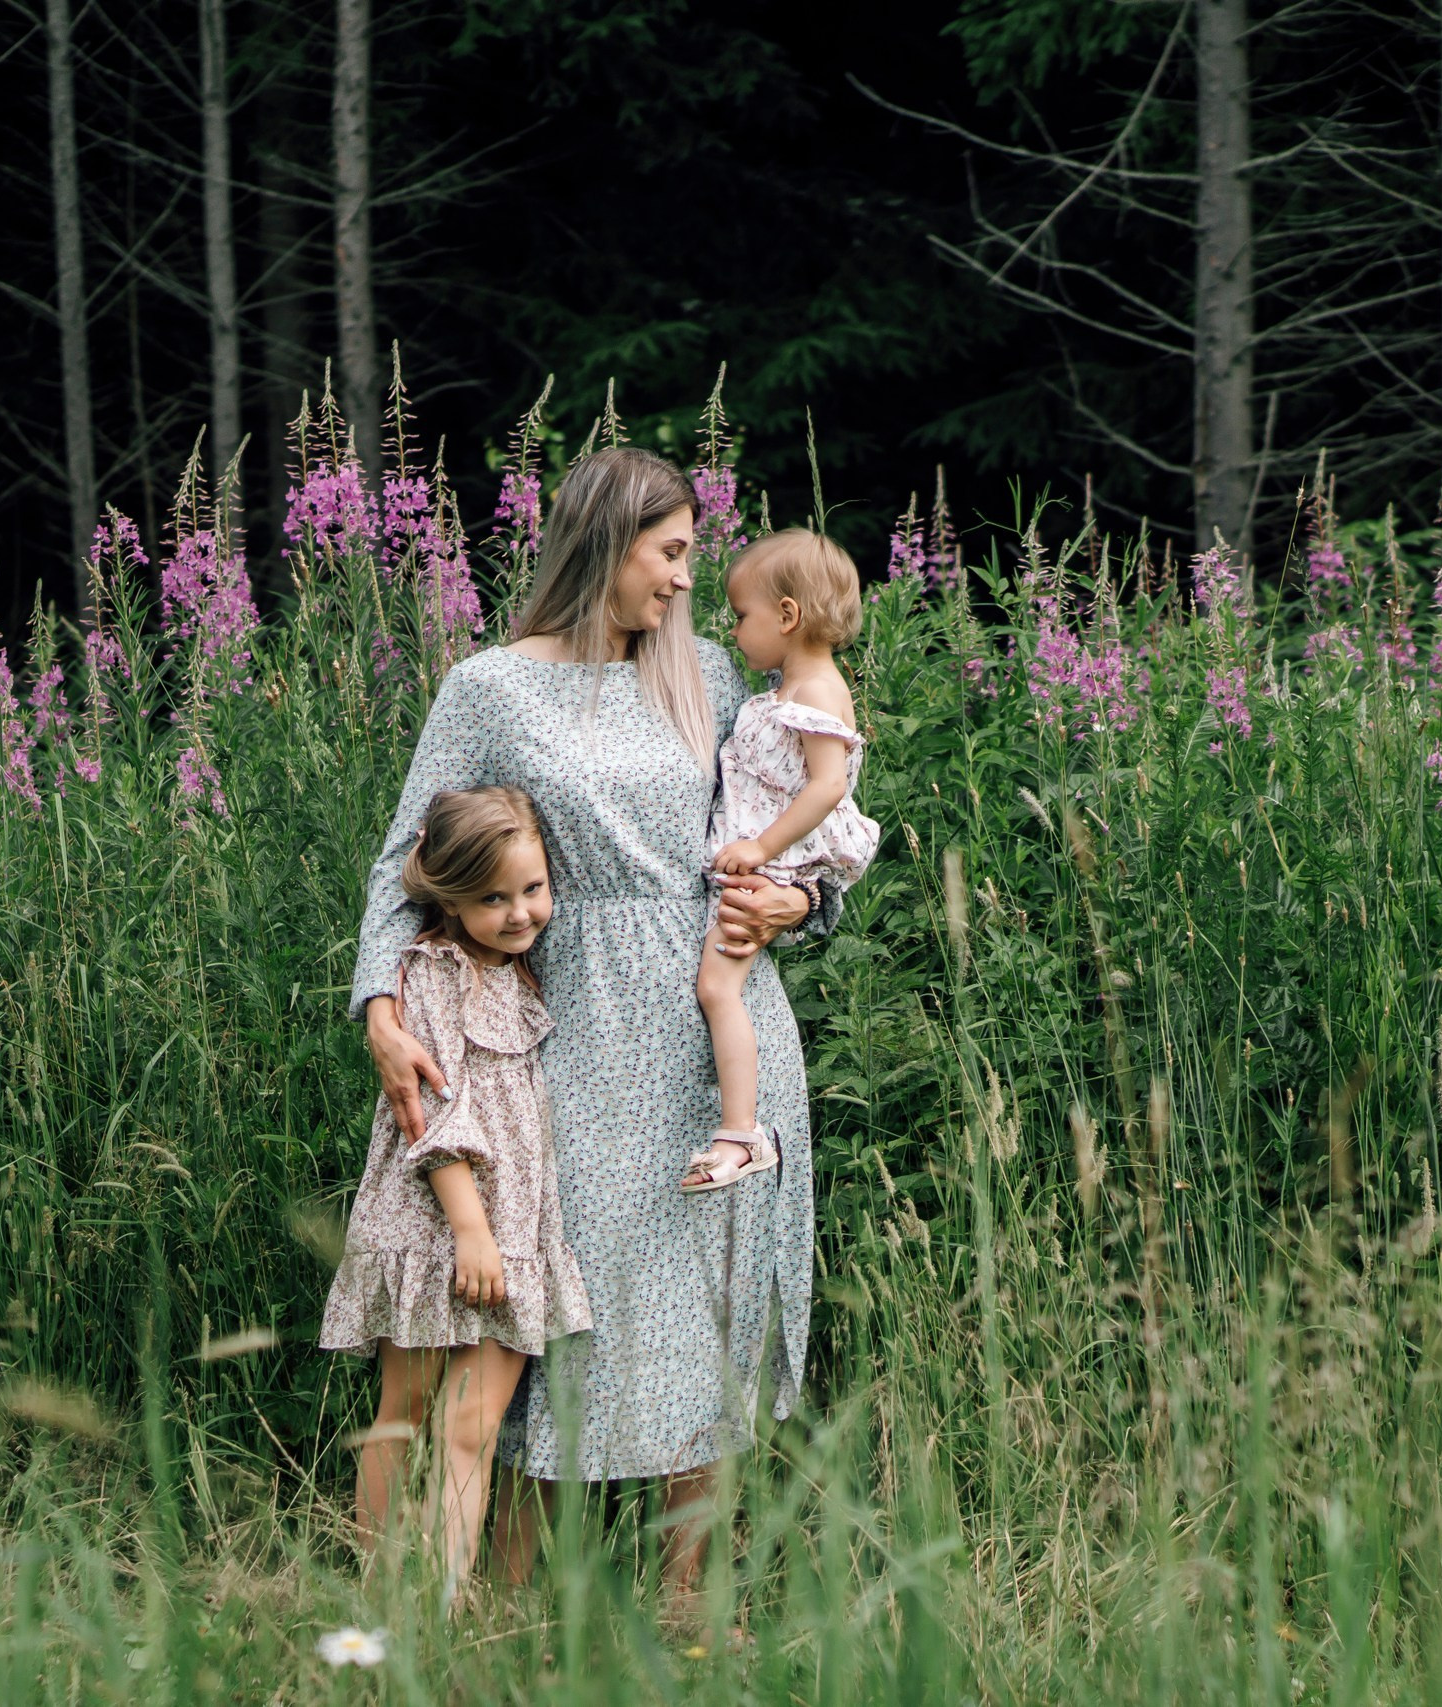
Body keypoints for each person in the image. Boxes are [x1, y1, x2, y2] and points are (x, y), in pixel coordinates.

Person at [350, 446, 841, 1618]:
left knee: (711, 1310)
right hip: (564, 1038)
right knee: (559, 1314)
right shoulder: (490, 690)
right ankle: (518, 1611)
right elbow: (401, 863)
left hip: (724, 1028)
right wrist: (379, 1006)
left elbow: (806, 832)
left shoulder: (716, 675)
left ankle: (687, 1613)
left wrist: (804, 905)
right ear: (603, 542)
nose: (685, 579)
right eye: (668, 553)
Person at [319, 786, 591, 1605]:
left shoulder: (525, 974)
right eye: (492, 899)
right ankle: (381, 1593)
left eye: (532, 890)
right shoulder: (431, 975)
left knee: (470, 1425)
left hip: (513, 1234)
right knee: (404, 1413)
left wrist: (501, 1234)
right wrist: (470, 1227)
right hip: (439, 1225)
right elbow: (430, 1115)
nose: (518, 913)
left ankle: (440, 1602)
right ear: (448, 898)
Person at [682, 531, 880, 1192]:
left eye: (742, 616)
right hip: (765, 861)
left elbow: (827, 786)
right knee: (718, 986)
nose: (734, 631)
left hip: (775, 866)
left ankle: (741, 1134)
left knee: (718, 987)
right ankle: (739, 1129)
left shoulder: (816, 691)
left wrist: (762, 851)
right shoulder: (790, 686)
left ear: (788, 616)